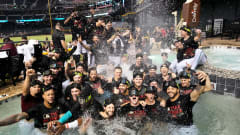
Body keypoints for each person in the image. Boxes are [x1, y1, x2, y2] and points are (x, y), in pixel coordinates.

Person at [0, 86, 65, 134]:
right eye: (48, 95)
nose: (51, 96)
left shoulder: (58, 105)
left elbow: (62, 117)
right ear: (43, 96)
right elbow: (17, 117)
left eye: (52, 94)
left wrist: (56, 123)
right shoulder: (37, 108)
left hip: (56, 130)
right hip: (41, 132)